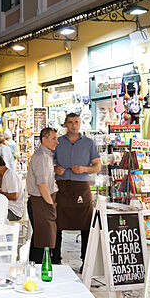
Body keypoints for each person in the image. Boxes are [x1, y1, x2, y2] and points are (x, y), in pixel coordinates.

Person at [53, 113, 101, 265]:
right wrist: (55, 169)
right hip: (62, 187)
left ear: (80, 123)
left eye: (76, 122)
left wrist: (84, 169)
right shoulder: (58, 142)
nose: (74, 125)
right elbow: (49, 163)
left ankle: (85, 260)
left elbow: (97, 166)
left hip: (81, 187)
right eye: (70, 122)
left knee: (86, 223)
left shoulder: (89, 143)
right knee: (57, 222)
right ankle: (55, 259)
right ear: (65, 125)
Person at [26, 127, 59, 263]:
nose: (57, 142)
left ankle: (37, 264)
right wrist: (50, 204)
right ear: (44, 140)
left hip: (43, 199)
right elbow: (42, 184)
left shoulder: (46, 155)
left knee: (42, 236)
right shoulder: (41, 156)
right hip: (41, 200)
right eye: (53, 139)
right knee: (44, 237)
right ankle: (38, 265)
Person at [0, 153, 25, 222]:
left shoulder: (10, 175)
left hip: (13, 212)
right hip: (6, 209)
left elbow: (14, 196)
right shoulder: (3, 175)